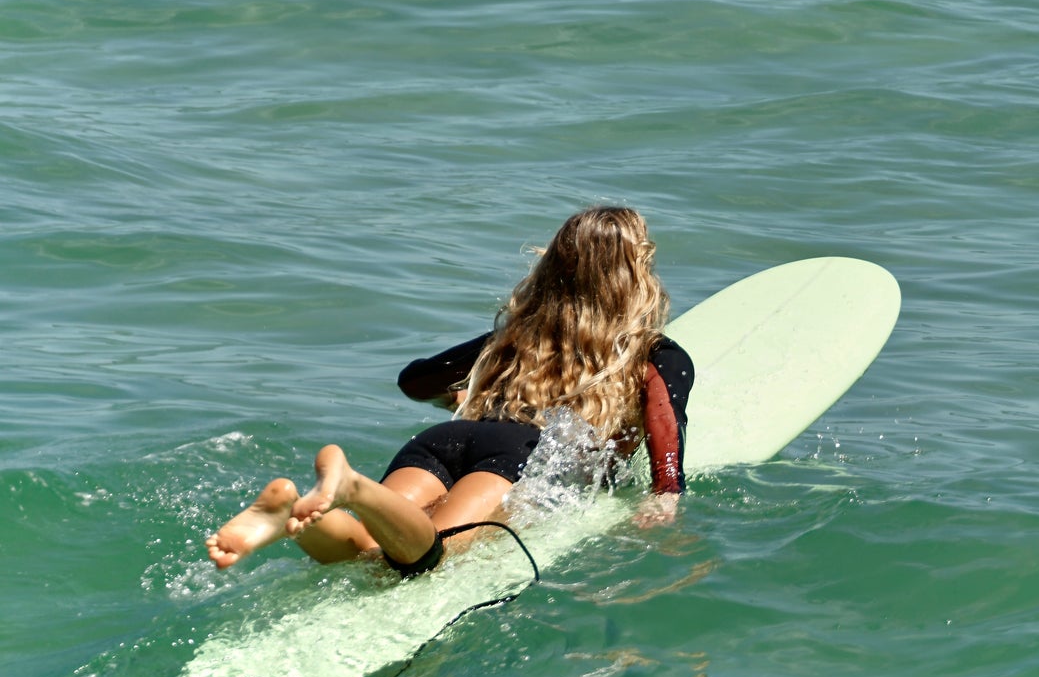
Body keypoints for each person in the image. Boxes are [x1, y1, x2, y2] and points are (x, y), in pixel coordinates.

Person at [205, 206, 693, 577]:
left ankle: (295, 509)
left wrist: (461, 392)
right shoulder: (653, 353)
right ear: (637, 275)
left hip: (447, 438)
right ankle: (350, 485)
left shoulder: (514, 336)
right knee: (426, 557)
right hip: (516, 456)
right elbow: (664, 429)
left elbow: (414, 381)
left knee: (367, 546)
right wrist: (665, 498)